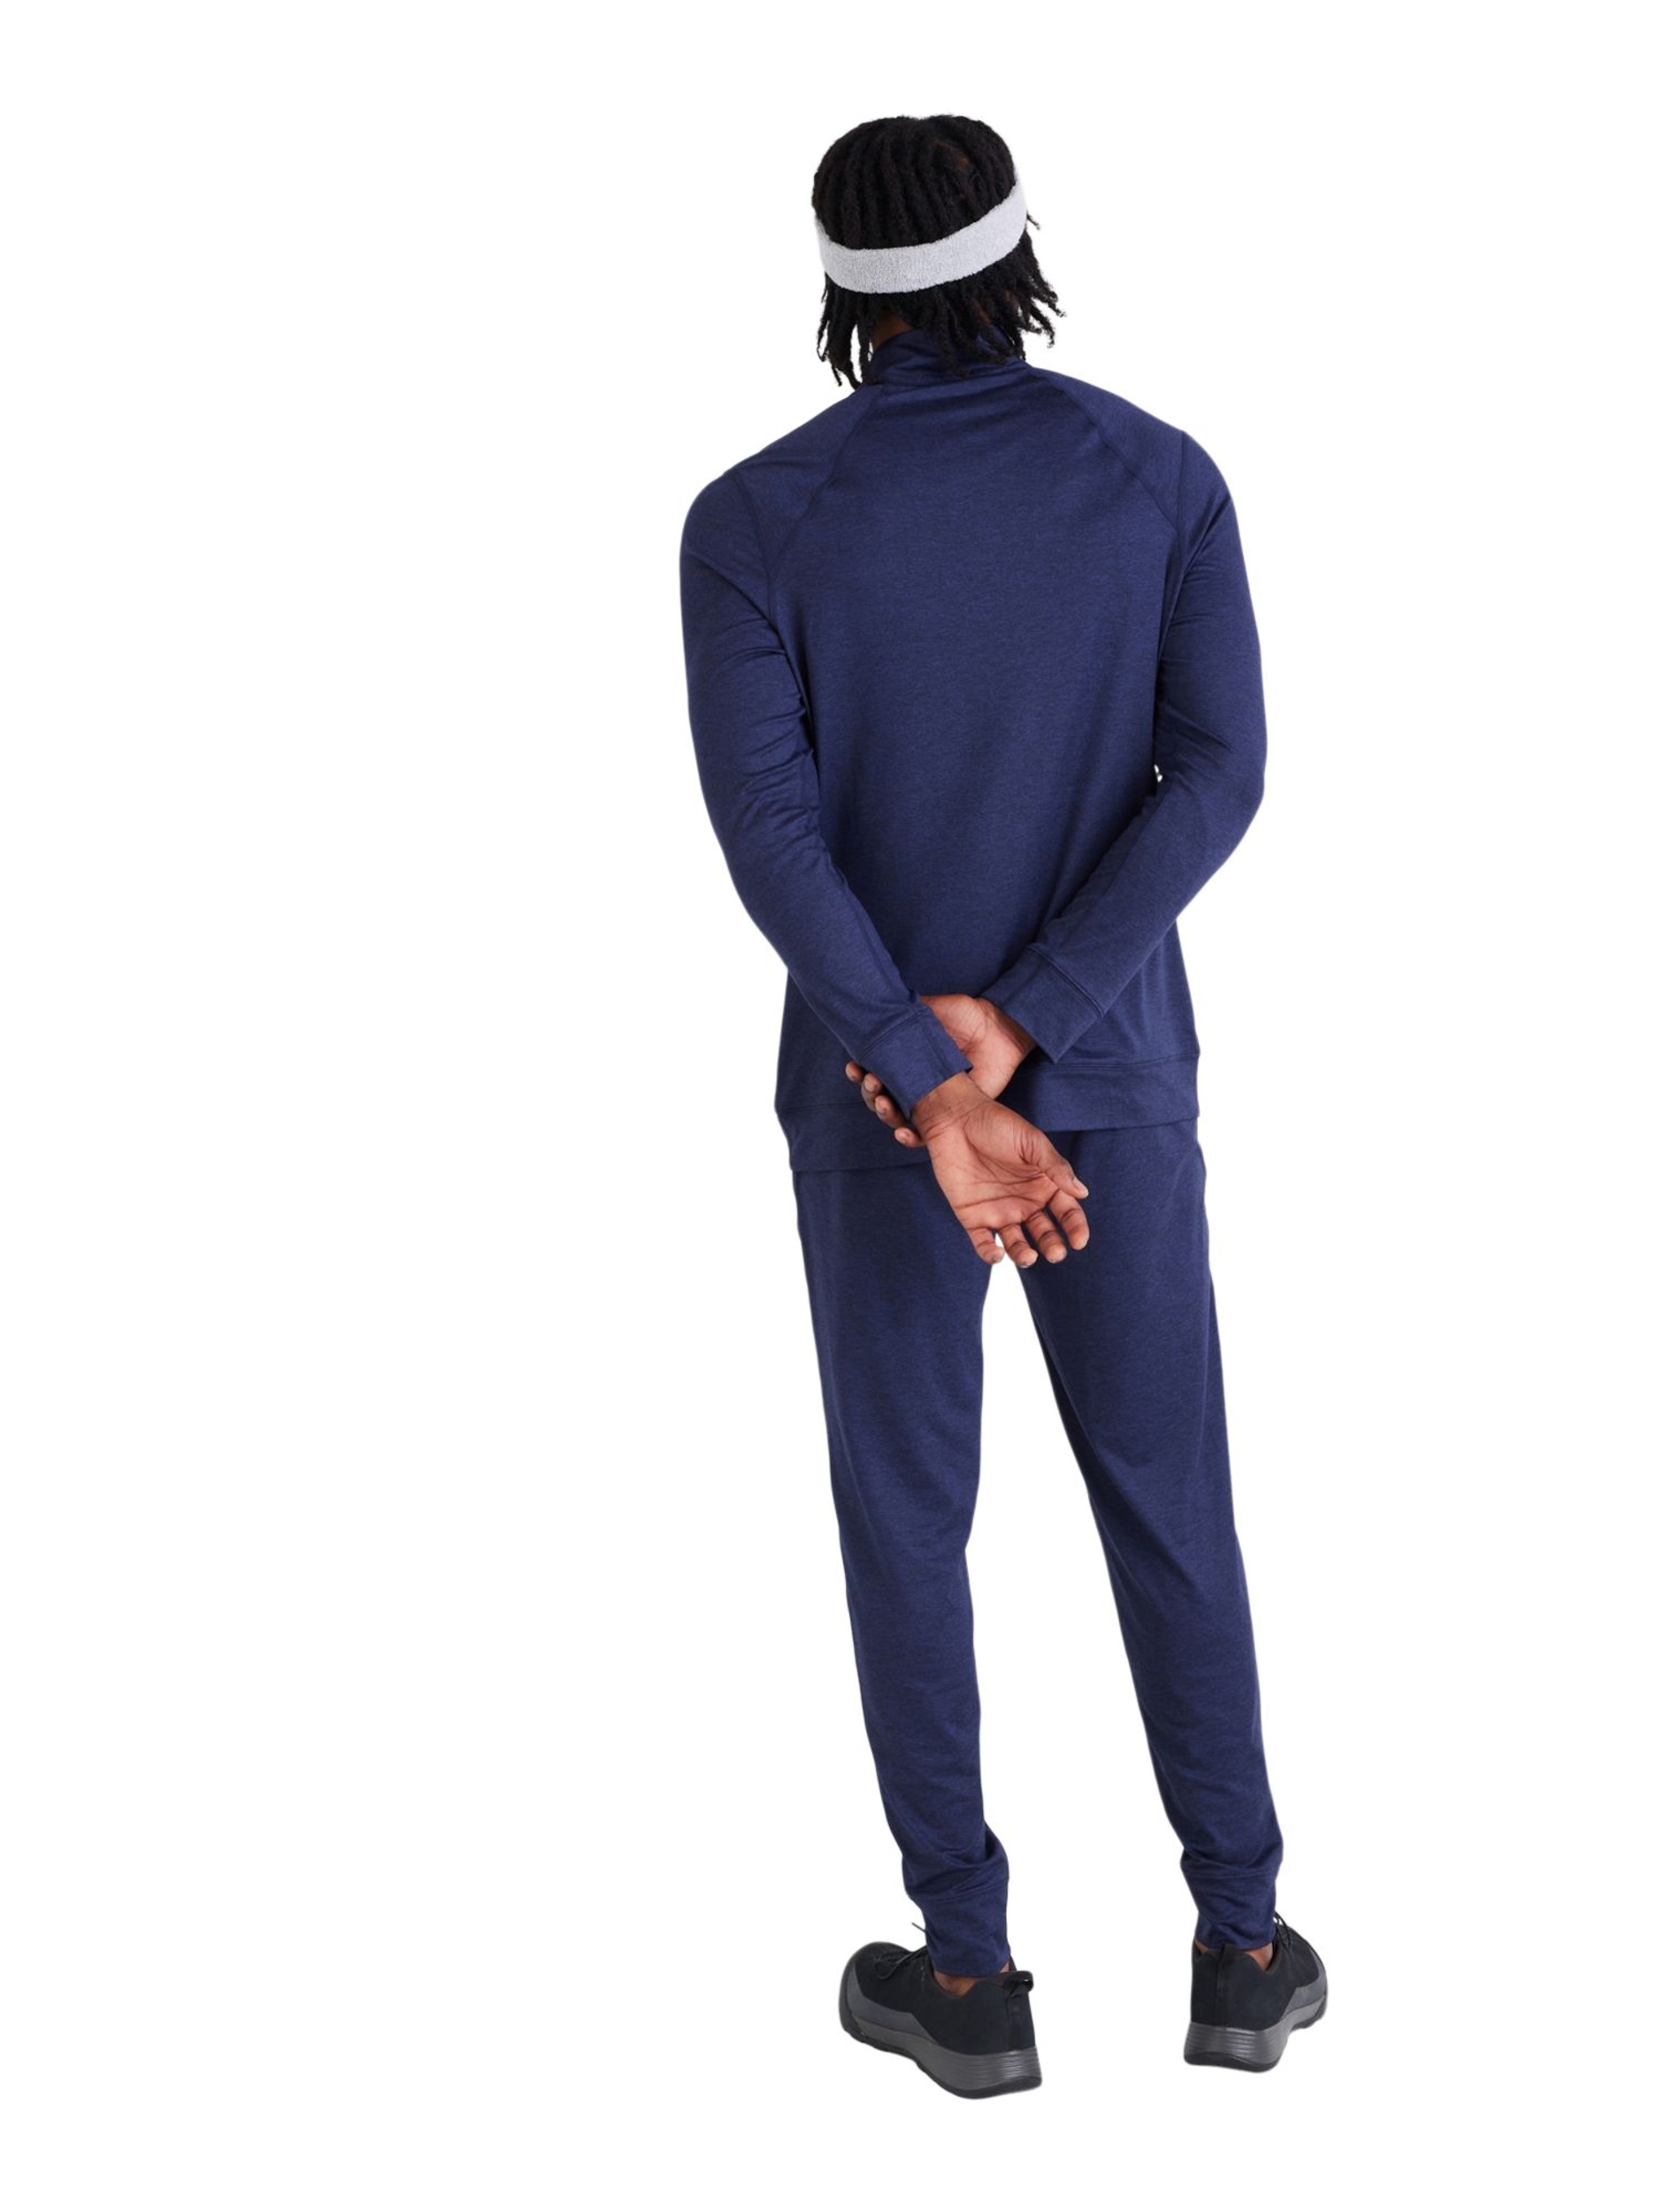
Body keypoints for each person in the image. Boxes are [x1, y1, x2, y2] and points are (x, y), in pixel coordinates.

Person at [679, 113, 1325, 2098]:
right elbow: (1220, 770)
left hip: (883, 1109)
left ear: (836, 289)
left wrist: (928, 1067)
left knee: (906, 1515)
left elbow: (771, 839)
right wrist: (1033, 1021)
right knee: (1168, 1496)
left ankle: (968, 1979)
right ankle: (1239, 1945)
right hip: (1106, 1076)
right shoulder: (1156, 478)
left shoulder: (753, 520)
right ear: (1019, 254)